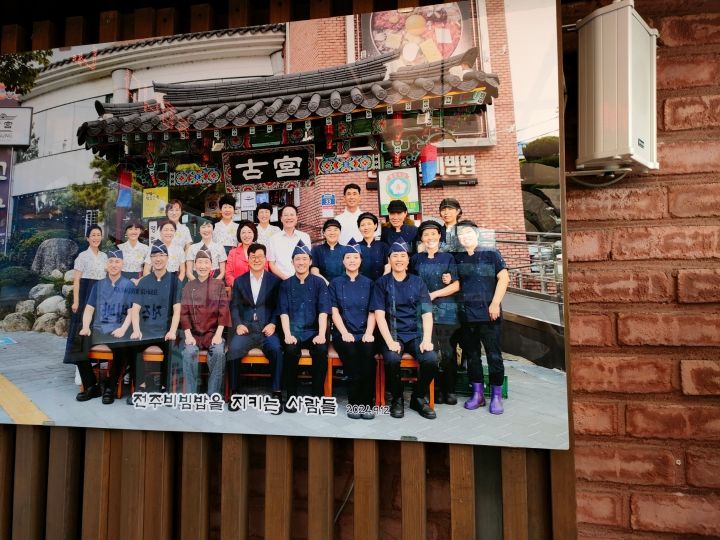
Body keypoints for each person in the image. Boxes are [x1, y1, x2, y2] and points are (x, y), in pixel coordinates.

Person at [371, 240, 438, 420]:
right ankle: (397, 398)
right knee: (392, 359)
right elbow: (379, 315)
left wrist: (426, 339)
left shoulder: (418, 282)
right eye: (395, 256)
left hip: (415, 334)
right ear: (389, 260)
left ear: (408, 260)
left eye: (403, 256)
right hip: (392, 334)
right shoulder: (382, 283)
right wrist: (389, 341)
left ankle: (418, 397)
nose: (399, 259)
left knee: (431, 359)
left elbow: (426, 313)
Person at [454, 220, 510, 414]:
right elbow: (456, 283)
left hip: (489, 314)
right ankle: (477, 394)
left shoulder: (491, 254)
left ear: (477, 234)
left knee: (494, 355)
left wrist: (495, 303)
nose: (465, 237)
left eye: (468, 233)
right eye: (461, 234)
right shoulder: (458, 258)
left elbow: (504, 278)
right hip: (467, 315)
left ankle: (496, 396)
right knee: (472, 355)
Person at [410, 221, 461, 405]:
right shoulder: (416, 259)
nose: (430, 237)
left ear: (439, 236)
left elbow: (456, 285)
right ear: (421, 239)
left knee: (448, 351)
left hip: (446, 311)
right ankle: (436, 389)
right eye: (426, 234)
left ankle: (450, 390)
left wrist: (434, 294)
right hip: (423, 312)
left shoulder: (448, 258)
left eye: (433, 234)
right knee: (431, 350)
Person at [76, 248, 136, 404]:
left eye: (117, 261)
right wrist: (85, 327)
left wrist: (123, 329)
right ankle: (91, 386)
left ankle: (110, 386)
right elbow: (89, 309)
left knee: (121, 348)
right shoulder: (98, 285)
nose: (114, 265)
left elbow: (132, 312)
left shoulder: (128, 285)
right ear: (106, 264)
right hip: (98, 328)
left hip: (117, 329)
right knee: (77, 343)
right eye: (111, 261)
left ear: (122, 264)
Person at [278, 241, 331, 412]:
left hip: (314, 331)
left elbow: (323, 311)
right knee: (290, 351)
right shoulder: (285, 284)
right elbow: (283, 312)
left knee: (321, 350)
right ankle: (291, 396)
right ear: (292, 262)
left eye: (304, 259)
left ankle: (317, 396)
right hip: (293, 331)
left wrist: (321, 334)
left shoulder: (319, 283)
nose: (301, 262)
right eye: (297, 259)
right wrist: (287, 334)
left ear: (310, 261)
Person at [227, 243, 284, 400]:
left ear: (265, 259)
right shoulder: (240, 281)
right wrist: (238, 324)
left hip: (266, 329)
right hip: (246, 329)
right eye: (253, 257)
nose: (256, 260)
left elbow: (278, 306)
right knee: (233, 349)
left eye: (259, 257)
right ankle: (234, 392)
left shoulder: (275, 281)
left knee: (276, 349)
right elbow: (234, 306)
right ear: (248, 259)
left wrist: (273, 323)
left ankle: (277, 391)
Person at [329, 240, 377, 419]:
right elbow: (334, 311)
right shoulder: (335, 283)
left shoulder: (369, 283)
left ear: (361, 260)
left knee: (368, 357)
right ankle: (354, 402)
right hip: (343, 332)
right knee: (352, 355)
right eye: (348, 257)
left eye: (355, 257)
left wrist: (369, 332)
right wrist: (344, 332)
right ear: (343, 261)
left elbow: (373, 310)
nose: (351, 260)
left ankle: (368, 403)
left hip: (365, 331)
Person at [129, 241, 182, 399]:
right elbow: (135, 309)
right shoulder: (144, 281)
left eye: (161, 255)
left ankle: (165, 386)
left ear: (167, 257)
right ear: (150, 259)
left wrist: (172, 331)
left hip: (165, 330)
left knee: (172, 346)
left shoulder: (175, 281)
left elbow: (177, 310)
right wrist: (136, 330)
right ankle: (140, 386)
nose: (158, 259)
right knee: (133, 346)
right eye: (154, 256)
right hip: (145, 329)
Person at [180, 249, 230, 395]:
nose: (202, 266)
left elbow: (224, 311)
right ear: (194, 265)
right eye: (200, 262)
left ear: (211, 265)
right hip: (193, 334)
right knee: (188, 353)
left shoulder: (218, 285)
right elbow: (184, 313)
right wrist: (188, 335)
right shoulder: (188, 286)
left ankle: (213, 394)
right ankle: (191, 393)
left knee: (219, 352)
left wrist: (218, 335)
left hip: (213, 333)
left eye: (206, 262)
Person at [64, 225, 107, 365]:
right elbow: (76, 280)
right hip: (86, 292)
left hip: (100, 292)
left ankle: (96, 358)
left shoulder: (105, 256)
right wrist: (76, 301)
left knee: (97, 325)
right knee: (81, 325)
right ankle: (79, 362)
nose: (96, 238)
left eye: (98, 235)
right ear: (87, 238)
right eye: (93, 235)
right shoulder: (82, 256)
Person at [267, 204, 311, 280]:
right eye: (286, 215)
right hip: (280, 281)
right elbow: (271, 264)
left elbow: (308, 260)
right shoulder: (273, 239)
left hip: (302, 280)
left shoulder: (305, 237)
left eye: (292, 215)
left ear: (296, 218)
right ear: (281, 218)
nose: (289, 218)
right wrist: (286, 279)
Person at [225, 220, 269, 286]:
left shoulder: (260, 251)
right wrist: (238, 286)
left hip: (257, 288)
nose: (246, 235)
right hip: (238, 288)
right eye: (243, 232)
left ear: (254, 234)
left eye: (249, 232)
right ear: (239, 235)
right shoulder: (233, 253)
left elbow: (265, 270)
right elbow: (228, 274)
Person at [310, 218, 347, 284]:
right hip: (323, 286)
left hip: (343, 286)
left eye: (335, 230)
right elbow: (314, 271)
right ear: (324, 233)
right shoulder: (316, 250)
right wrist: (328, 284)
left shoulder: (346, 250)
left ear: (340, 232)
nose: (332, 233)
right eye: (329, 230)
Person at [357, 212, 390, 281]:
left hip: (380, 284)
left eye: (369, 224)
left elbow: (388, 266)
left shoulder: (383, 246)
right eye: (362, 225)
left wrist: (381, 282)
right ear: (359, 228)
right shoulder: (355, 247)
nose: (366, 227)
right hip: (360, 285)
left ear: (375, 226)